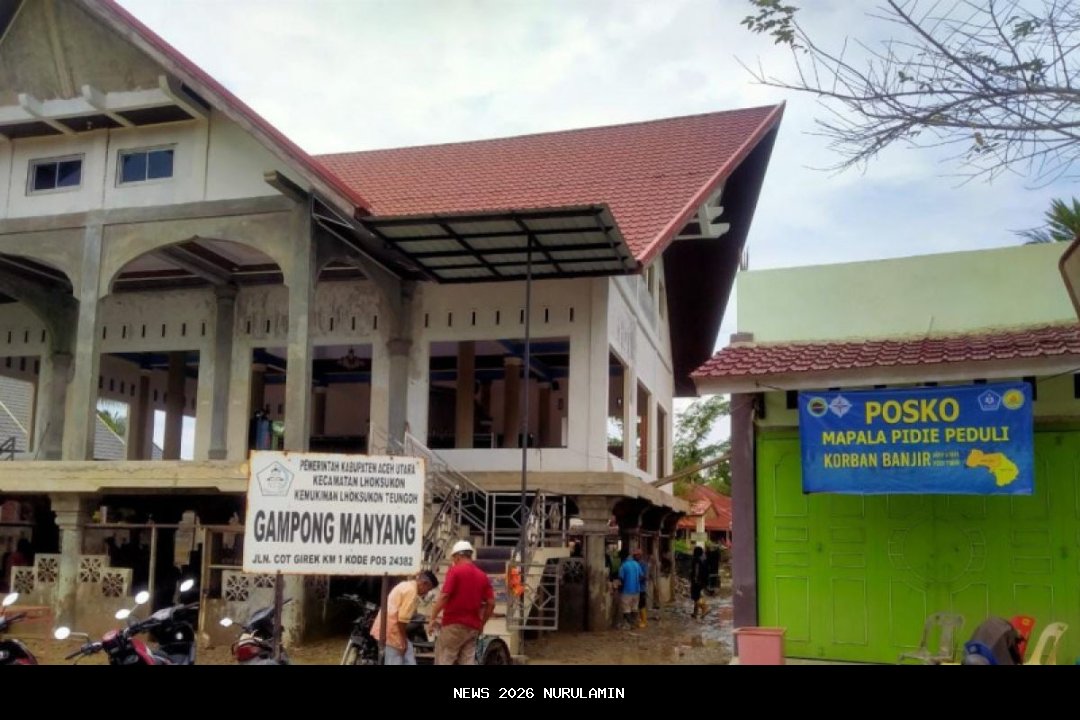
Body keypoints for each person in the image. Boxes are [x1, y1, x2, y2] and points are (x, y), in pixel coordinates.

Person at [426, 541, 494, 665]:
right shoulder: (482, 576)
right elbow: (491, 603)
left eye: (454, 558)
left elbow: (444, 595)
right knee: (467, 661)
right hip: (473, 626)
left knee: (444, 659)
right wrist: (482, 623)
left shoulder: (455, 571)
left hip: (453, 625)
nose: (454, 560)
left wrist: (433, 617)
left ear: (458, 556)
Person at [370, 570, 439, 665]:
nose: (426, 593)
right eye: (428, 589)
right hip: (391, 631)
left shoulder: (406, 584)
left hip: (388, 627)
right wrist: (402, 641)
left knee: (408, 650)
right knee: (398, 655)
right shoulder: (411, 592)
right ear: (424, 584)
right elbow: (401, 620)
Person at [617, 547, 643, 629]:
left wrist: (619, 588)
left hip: (627, 590)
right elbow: (641, 576)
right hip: (637, 590)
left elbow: (621, 578)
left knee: (626, 609)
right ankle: (634, 623)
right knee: (634, 608)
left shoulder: (623, 565)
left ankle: (630, 624)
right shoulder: (636, 564)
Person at [690, 545, 710, 618]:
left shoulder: (696, 560)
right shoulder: (703, 559)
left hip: (697, 581)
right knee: (697, 596)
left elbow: (696, 570)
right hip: (702, 580)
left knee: (696, 596)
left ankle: (705, 608)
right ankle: (695, 613)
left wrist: (695, 579)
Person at [633, 548, 649, 628]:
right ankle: (640, 620)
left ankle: (644, 621)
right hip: (635, 589)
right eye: (634, 555)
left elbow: (645, 577)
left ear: (640, 555)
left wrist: (636, 579)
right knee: (637, 605)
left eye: (636, 555)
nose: (635, 556)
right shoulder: (634, 564)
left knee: (641, 605)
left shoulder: (643, 564)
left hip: (641, 588)